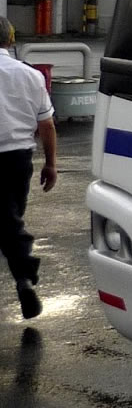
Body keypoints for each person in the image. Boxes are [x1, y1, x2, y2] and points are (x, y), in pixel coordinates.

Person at [0, 16, 56, 319]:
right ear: (11, 40)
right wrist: (50, 164)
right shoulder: (31, 75)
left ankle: (23, 278)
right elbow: (46, 125)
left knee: (7, 223)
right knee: (10, 221)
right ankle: (23, 279)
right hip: (17, 159)